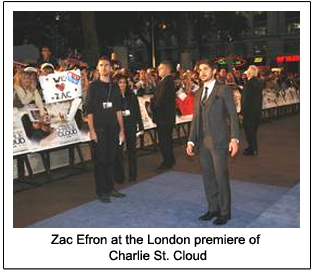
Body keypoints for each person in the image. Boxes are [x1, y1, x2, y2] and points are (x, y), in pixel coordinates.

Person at [186, 59, 239, 225]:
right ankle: (213, 208)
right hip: (202, 143)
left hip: (220, 141)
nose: (202, 73)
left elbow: (232, 115)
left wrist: (234, 138)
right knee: (208, 177)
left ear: (214, 70)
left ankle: (225, 212)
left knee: (221, 177)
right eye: (200, 70)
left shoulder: (223, 90)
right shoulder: (198, 92)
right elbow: (196, 119)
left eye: (205, 69)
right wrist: (191, 141)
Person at [85, 56, 126, 202]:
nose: (104, 68)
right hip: (99, 129)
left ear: (111, 68)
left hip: (113, 129)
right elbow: (89, 110)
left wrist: (121, 130)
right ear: (97, 68)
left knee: (111, 159)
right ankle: (101, 191)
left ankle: (110, 188)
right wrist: (92, 130)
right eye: (101, 65)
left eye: (106, 65)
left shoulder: (114, 87)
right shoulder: (93, 87)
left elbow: (118, 110)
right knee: (100, 160)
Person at [114, 76, 144, 183]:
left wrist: (140, 127)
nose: (122, 85)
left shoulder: (132, 96)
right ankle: (119, 177)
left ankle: (133, 175)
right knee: (118, 153)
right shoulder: (114, 97)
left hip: (131, 125)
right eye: (120, 82)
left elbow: (137, 112)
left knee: (132, 152)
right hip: (118, 128)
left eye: (124, 82)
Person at [151, 61, 176, 170]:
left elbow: (160, 100)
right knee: (167, 140)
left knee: (164, 141)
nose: (158, 71)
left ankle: (167, 162)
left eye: (160, 68)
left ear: (166, 69)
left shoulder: (167, 82)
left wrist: (152, 105)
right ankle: (170, 159)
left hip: (164, 118)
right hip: (166, 117)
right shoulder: (166, 81)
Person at [241, 65, 264, 156]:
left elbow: (245, 100)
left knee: (249, 132)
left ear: (249, 73)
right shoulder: (258, 83)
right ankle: (254, 148)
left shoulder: (248, 84)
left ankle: (252, 149)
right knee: (254, 131)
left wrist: (242, 112)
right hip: (257, 111)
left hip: (249, 112)